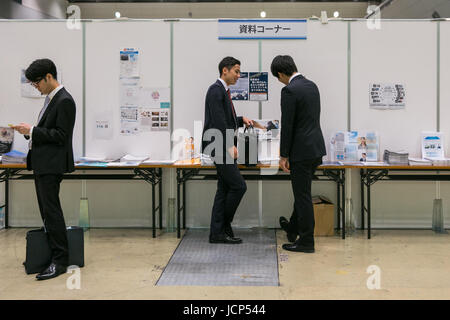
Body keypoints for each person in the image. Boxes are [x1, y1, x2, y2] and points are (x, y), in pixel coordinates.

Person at [13, 59, 76, 280]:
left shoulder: (64, 100)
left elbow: (61, 136)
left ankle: (60, 260)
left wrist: (33, 130)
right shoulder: (52, 99)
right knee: (47, 213)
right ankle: (50, 254)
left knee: (52, 212)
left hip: (51, 165)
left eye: (36, 82)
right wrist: (30, 132)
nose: (36, 87)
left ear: (49, 77)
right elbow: (47, 132)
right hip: (43, 163)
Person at [271, 55, 326, 253]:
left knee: (302, 196)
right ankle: (293, 227)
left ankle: (306, 242)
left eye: (278, 78)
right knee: (302, 193)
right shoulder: (312, 85)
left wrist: (283, 155)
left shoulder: (289, 90)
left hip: (300, 152)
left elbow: (288, 125)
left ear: (280, 74)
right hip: (315, 149)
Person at [202, 56, 253, 244]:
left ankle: (217, 233)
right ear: (225, 70)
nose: (238, 75)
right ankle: (224, 225)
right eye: (236, 71)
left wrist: (240, 119)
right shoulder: (216, 91)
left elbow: (225, 118)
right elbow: (218, 121)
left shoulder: (223, 91)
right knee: (239, 186)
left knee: (223, 190)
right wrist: (229, 145)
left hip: (220, 145)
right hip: (220, 147)